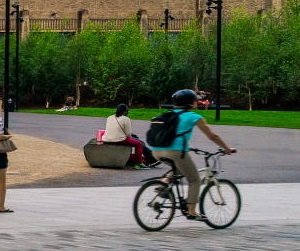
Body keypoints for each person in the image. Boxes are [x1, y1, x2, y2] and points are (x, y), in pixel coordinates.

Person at [154, 88, 234, 220]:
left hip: (156, 151)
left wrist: (187, 147)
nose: (197, 102)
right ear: (190, 103)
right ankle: (191, 211)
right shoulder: (194, 117)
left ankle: (163, 185)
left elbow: (171, 134)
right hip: (175, 152)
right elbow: (213, 136)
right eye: (195, 101)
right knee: (195, 179)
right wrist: (227, 148)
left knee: (179, 168)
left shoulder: (168, 114)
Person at [100, 102, 154, 168]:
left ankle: (148, 159)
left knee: (137, 140)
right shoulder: (126, 119)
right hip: (118, 140)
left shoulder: (109, 117)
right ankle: (139, 163)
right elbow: (128, 134)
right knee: (139, 144)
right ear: (125, 112)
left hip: (106, 139)